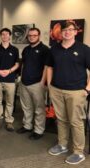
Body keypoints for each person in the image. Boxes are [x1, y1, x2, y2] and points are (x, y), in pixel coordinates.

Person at [47, 21, 90, 165]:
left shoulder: (84, 49)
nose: (67, 32)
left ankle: (78, 152)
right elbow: (50, 68)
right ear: (61, 32)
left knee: (76, 122)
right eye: (64, 30)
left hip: (76, 91)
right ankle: (62, 145)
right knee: (61, 119)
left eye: (70, 30)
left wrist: (88, 88)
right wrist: (50, 86)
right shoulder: (54, 48)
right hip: (57, 90)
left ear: (75, 32)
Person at [17, 27, 50, 140]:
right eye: (30, 36)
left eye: (34, 35)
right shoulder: (26, 49)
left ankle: (39, 130)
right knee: (26, 106)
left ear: (39, 36)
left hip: (37, 84)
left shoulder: (45, 49)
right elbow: (24, 65)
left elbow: (47, 67)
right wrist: (21, 78)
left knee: (39, 108)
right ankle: (27, 125)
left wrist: (42, 82)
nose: (31, 37)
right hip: (24, 82)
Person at [0, 28, 19, 132]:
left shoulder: (14, 50)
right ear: (0, 36)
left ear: (10, 36)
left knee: (9, 101)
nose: (5, 36)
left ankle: (9, 121)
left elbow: (17, 64)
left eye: (7, 34)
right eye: (2, 34)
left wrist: (9, 71)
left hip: (10, 79)